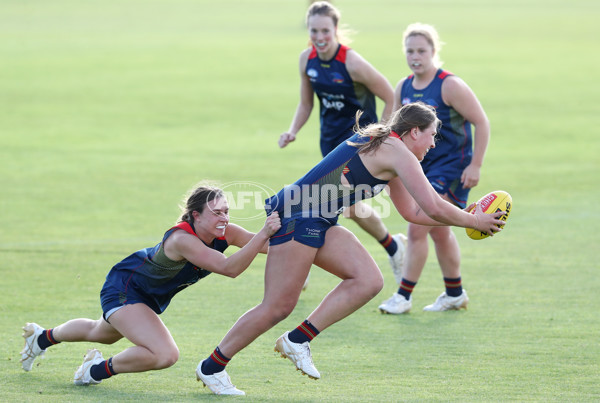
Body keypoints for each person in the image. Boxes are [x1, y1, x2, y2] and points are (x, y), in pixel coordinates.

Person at [195, 102, 505, 395]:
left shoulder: (391, 150)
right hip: (298, 215)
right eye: (432, 135)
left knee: (368, 280)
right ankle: (212, 367)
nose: (433, 143)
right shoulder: (395, 149)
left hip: (320, 217)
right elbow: (433, 205)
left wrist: (469, 220)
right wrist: (472, 220)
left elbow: (414, 213)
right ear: (414, 132)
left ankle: (298, 339)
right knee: (277, 306)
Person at [20, 184, 280, 394]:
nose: (224, 218)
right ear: (196, 215)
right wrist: (263, 233)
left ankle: (41, 337)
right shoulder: (182, 240)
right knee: (164, 354)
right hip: (125, 288)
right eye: (216, 213)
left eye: (226, 211)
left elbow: (270, 247)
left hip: (145, 296)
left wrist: (299, 239)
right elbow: (230, 268)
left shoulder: (226, 232)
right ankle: (95, 370)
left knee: (101, 332)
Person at [278, 1, 406, 288]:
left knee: (321, 203)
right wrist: (292, 131)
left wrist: (381, 138)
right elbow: (306, 102)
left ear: (335, 30)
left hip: (360, 147)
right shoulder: (306, 60)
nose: (319, 37)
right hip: (331, 145)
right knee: (342, 206)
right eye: (314, 31)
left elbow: (389, 95)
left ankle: (303, 261)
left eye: (325, 30)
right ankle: (394, 247)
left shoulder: (352, 63)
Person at [378, 23, 491, 315]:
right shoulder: (402, 87)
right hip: (419, 166)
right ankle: (455, 293)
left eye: (421, 50)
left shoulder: (449, 85)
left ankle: (403, 296)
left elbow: (481, 122)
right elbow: (387, 126)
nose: (415, 56)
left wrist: (475, 164)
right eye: (410, 51)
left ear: (433, 52)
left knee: (419, 226)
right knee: (439, 231)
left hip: (453, 166)